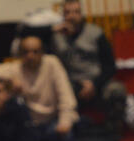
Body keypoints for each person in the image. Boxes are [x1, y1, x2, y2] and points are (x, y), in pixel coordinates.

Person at [0, 35, 78, 141]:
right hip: (30, 127)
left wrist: (65, 122)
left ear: (42, 52)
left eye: (35, 51)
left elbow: (66, 96)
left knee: (66, 134)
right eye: (26, 52)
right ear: (20, 54)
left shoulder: (52, 63)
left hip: (53, 122)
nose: (31, 56)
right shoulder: (15, 68)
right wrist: (10, 79)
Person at [52, 0, 128, 129]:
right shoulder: (55, 36)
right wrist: (50, 31)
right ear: (63, 15)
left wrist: (94, 84)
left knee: (117, 90)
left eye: (76, 12)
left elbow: (110, 66)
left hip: (97, 82)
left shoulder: (95, 33)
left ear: (81, 14)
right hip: (69, 84)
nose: (71, 16)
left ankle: (113, 131)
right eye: (67, 12)